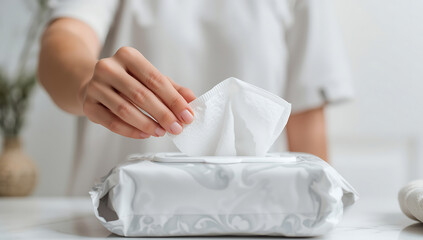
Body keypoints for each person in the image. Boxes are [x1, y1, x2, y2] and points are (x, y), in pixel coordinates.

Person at [38, 0, 353, 195]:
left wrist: (316, 207)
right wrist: (85, 85)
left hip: (258, 221)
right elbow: (65, 40)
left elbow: (307, 121)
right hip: (112, 220)